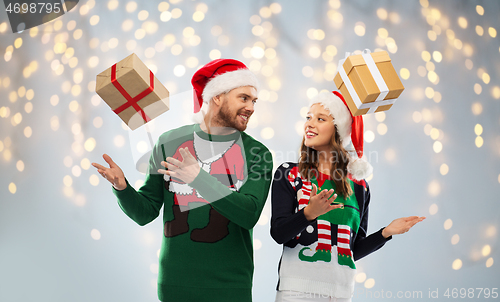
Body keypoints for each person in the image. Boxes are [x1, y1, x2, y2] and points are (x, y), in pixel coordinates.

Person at [92, 59, 273, 302]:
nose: (251, 107)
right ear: (217, 96)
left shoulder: (257, 153)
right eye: (244, 98)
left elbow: (249, 214)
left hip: (230, 290)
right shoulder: (169, 142)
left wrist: (198, 178)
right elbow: (146, 212)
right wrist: (122, 188)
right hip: (174, 287)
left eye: (254, 101)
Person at [270, 91, 425, 301]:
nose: (309, 124)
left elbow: (352, 251)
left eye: (320, 119)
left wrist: (386, 233)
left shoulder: (359, 187)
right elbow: (279, 233)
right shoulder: (289, 174)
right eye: (308, 117)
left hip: (341, 294)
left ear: (339, 131)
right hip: (296, 292)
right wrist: (308, 213)